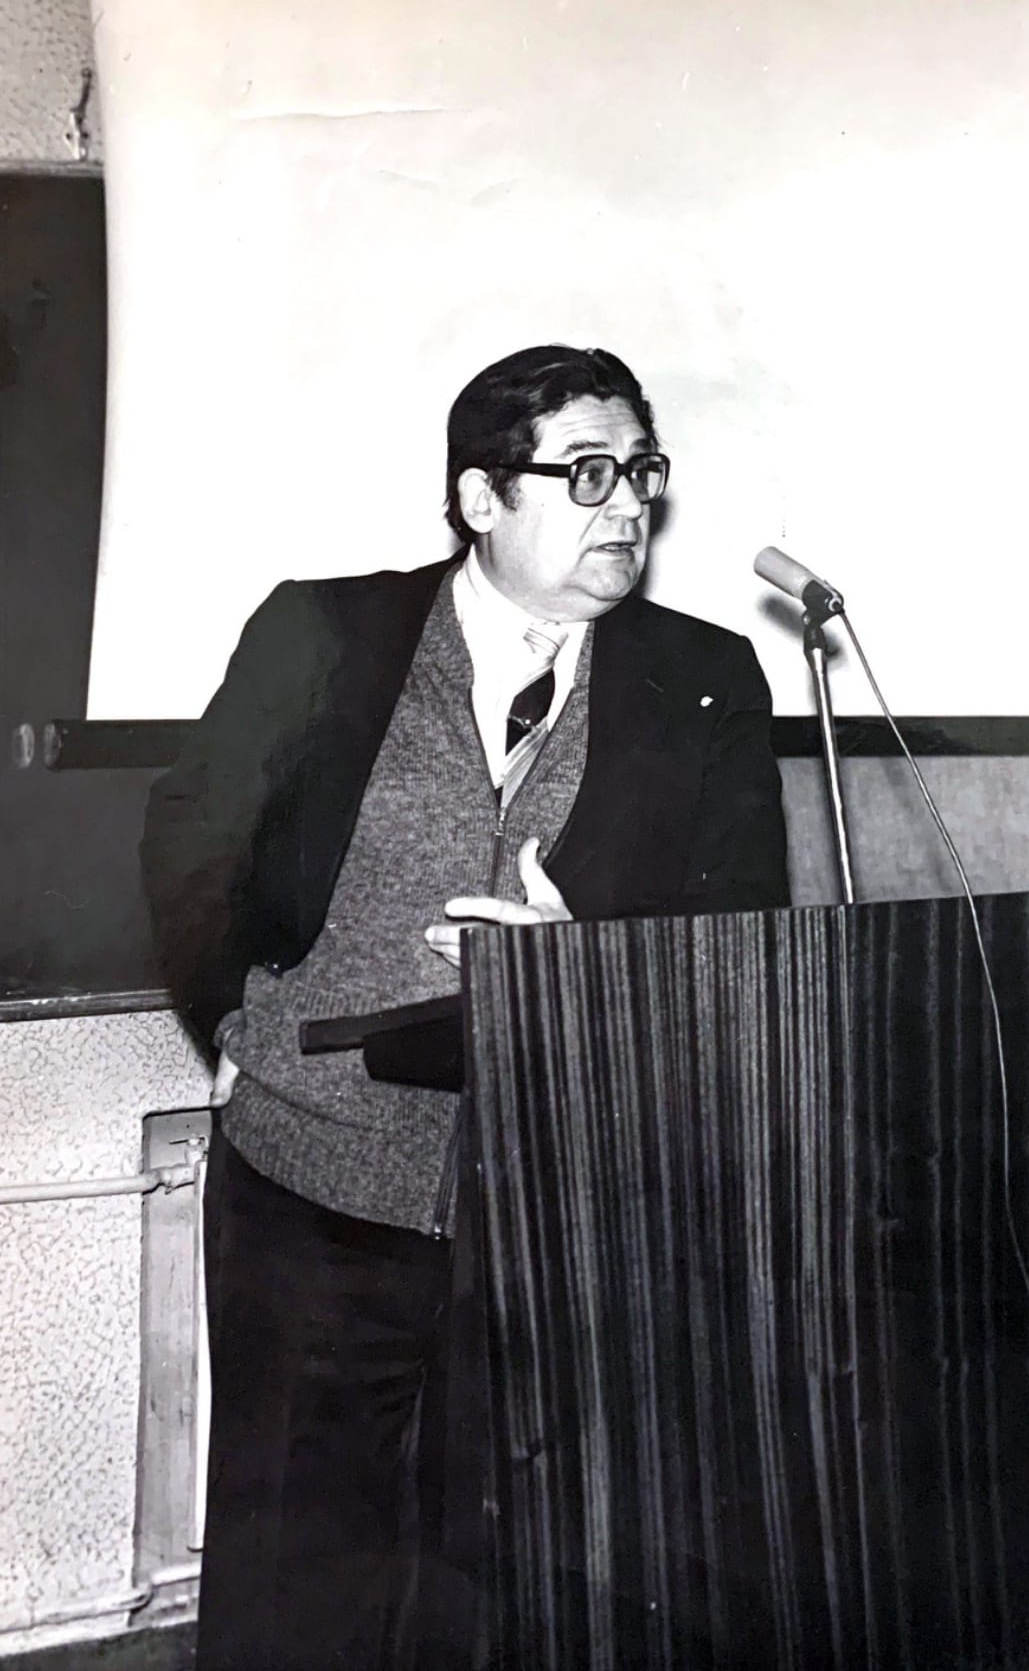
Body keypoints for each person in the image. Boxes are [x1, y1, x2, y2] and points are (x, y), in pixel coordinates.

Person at [140, 344, 789, 1670]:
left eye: (642, 474)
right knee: (297, 1570)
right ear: (482, 498)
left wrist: (583, 958)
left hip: (556, 1200)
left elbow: (740, 924)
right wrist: (230, 1025)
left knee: (505, 1583)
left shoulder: (706, 676)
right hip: (316, 1181)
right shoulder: (323, 634)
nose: (627, 505)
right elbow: (192, 835)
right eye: (588, 473)